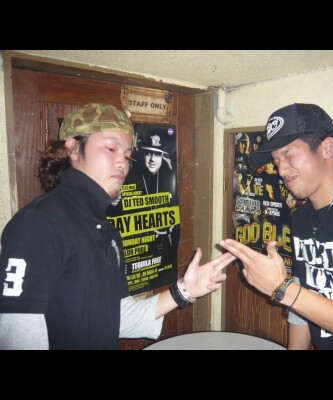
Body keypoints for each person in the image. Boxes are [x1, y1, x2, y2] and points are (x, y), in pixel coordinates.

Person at [0, 103, 235, 350]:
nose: (122, 162)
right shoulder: (38, 224)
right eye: (111, 148)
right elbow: (17, 336)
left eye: (127, 155)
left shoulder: (104, 229)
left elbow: (117, 317)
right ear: (73, 148)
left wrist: (184, 291)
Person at [220, 103, 333, 350]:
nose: (281, 169)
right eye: (276, 160)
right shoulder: (302, 218)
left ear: (326, 148)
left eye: (289, 154)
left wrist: (282, 289)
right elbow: (301, 309)